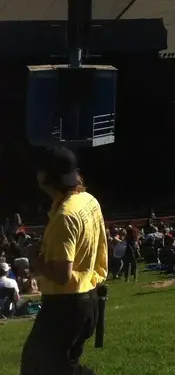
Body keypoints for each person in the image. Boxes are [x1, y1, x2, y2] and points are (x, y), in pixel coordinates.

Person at [22, 145, 108, 375]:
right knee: (60, 366)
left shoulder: (65, 215)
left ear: (45, 177)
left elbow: (62, 275)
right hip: (86, 300)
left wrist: (34, 257)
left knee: (38, 366)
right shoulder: (88, 200)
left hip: (65, 306)